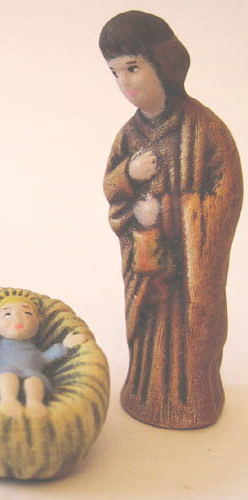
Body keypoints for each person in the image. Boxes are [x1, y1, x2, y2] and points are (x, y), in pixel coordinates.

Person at [99, 11, 243, 428]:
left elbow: (227, 198)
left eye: (132, 68)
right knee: (148, 330)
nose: (124, 83)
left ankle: (192, 400)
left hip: (189, 273)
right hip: (145, 266)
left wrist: (171, 213)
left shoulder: (206, 129)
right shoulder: (128, 135)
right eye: (114, 73)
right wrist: (129, 178)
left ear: (163, 62)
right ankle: (145, 392)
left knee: (190, 332)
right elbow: (111, 190)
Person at [0, 289, 87, 418]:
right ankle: (8, 401)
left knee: (34, 381)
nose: (18, 320)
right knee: (7, 376)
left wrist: (65, 346)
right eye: (7, 314)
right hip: (5, 372)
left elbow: (46, 357)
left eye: (27, 313)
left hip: (32, 373)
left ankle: (34, 404)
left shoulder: (35, 351)